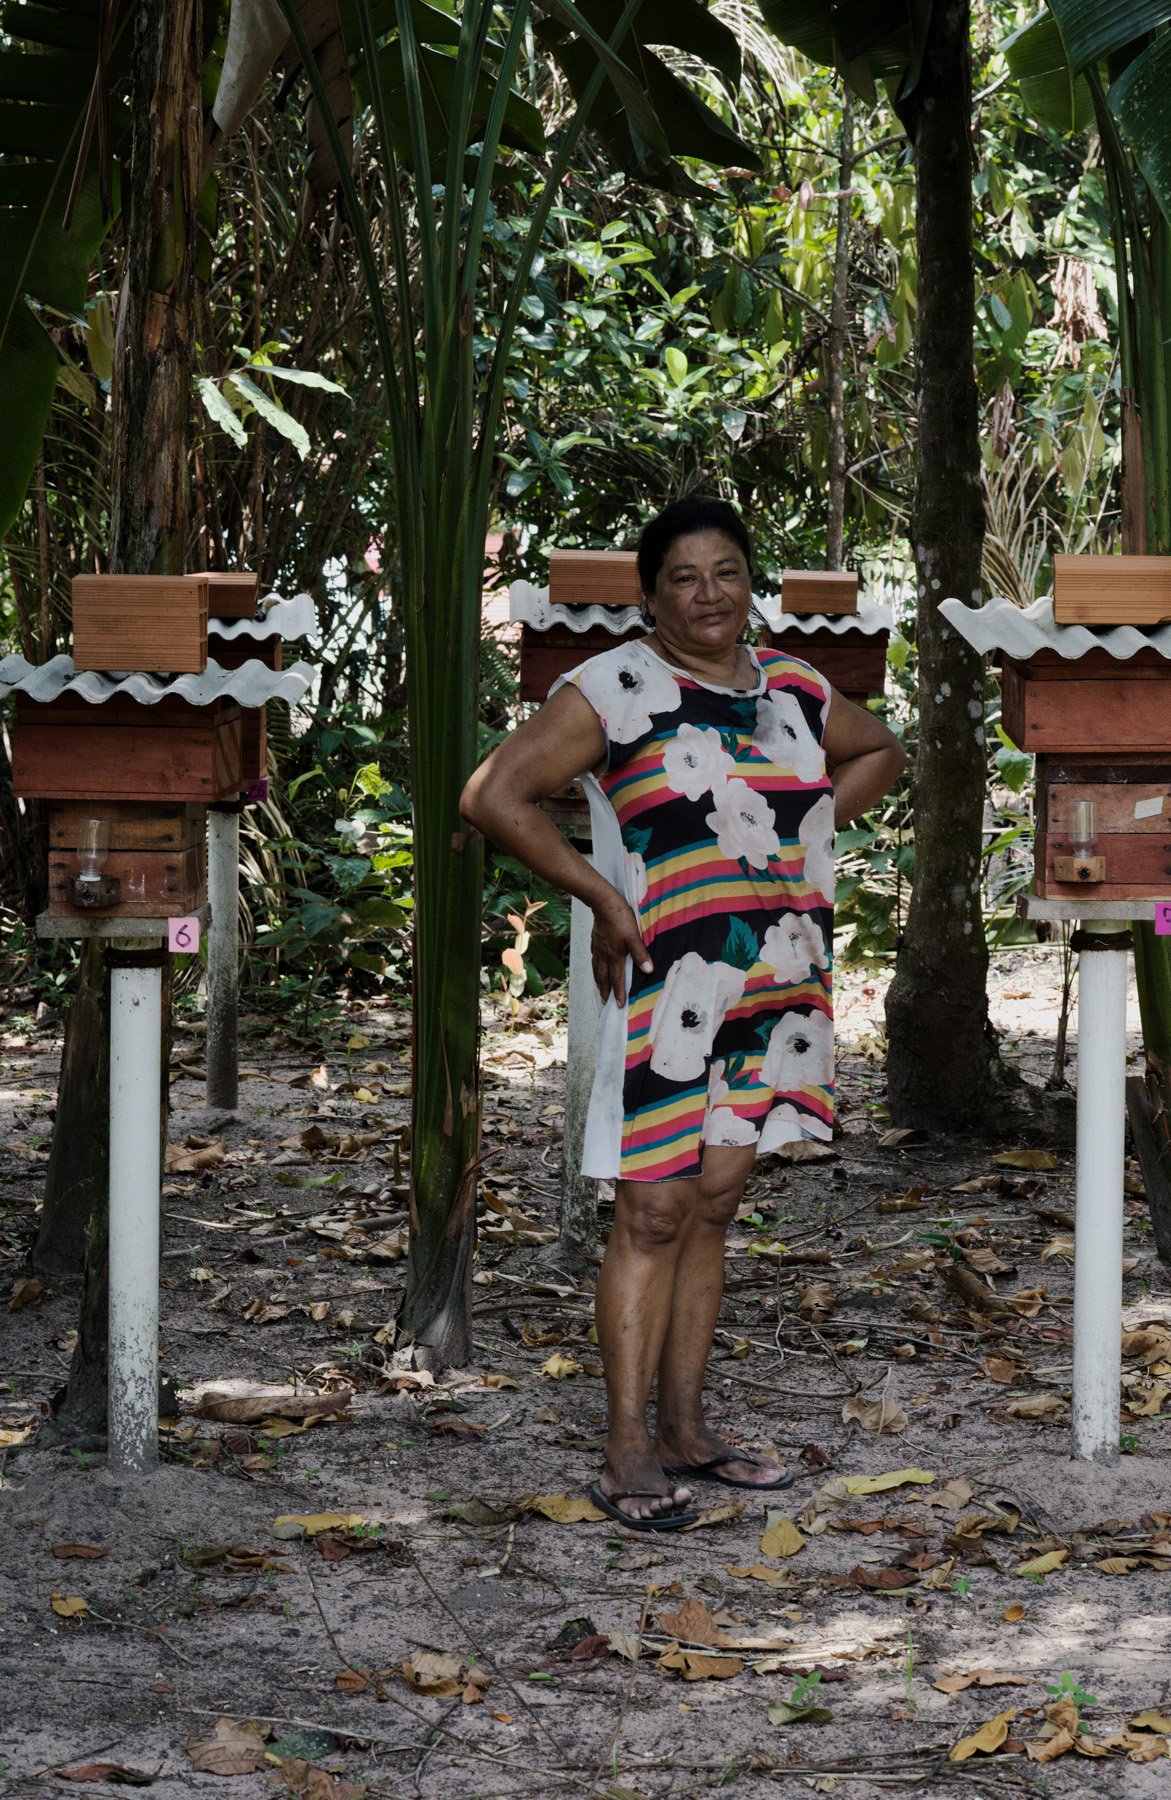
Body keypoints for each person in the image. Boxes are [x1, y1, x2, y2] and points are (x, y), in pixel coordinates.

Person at [460, 497, 905, 1529]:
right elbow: (494, 795)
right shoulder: (616, 686)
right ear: (650, 594)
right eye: (684, 579)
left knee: (713, 1203)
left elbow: (879, 749)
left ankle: (686, 1432)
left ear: (752, 582)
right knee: (652, 1210)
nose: (710, 595)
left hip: (776, 984)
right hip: (668, 986)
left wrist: (806, 837)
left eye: (728, 573)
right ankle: (624, 1451)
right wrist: (605, 896)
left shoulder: (790, 685)